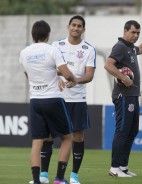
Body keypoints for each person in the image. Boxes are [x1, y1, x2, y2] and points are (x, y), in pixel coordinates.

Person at [32, 15, 96, 184]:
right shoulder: (56, 46)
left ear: (83, 29)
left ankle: (74, 175)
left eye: (79, 26)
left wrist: (75, 81)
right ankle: (44, 175)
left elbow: (89, 75)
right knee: (48, 137)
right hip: (56, 97)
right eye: (73, 25)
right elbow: (50, 68)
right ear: (68, 27)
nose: (76, 28)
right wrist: (59, 78)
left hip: (77, 99)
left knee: (78, 136)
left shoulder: (89, 49)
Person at [19, 20, 77, 184]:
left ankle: (36, 180)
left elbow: (28, 76)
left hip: (35, 100)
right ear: (48, 34)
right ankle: (59, 179)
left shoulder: (24, 53)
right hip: (52, 99)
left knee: (37, 143)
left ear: (33, 34)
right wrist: (73, 80)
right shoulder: (53, 50)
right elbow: (67, 74)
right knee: (67, 138)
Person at [104, 20, 142, 177]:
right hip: (123, 96)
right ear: (125, 31)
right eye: (133, 32)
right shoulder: (120, 47)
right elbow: (108, 64)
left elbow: (141, 49)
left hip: (133, 96)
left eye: (138, 33)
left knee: (132, 131)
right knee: (122, 130)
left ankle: (123, 166)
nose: (136, 35)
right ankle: (114, 169)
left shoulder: (130, 48)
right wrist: (123, 77)